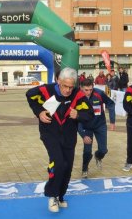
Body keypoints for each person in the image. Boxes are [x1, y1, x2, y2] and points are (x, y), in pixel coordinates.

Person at [26, 67, 94, 213]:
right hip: (49, 133)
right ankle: (52, 195)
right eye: (65, 86)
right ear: (58, 81)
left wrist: (79, 115)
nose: (68, 90)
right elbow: (29, 95)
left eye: (71, 87)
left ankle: (60, 196)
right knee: (58, 163)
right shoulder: (45, 90)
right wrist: (39, 112)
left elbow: (90, 115)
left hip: (69, 136)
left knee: (68, 167)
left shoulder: (78, 95)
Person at [78, 79, 115, 178]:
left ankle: (98, 156)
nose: (89, 92)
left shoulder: (99, 93)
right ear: (81, 88)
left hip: (100, 125)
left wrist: (112, 121)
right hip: (86, 127)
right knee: (87, 151)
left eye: (91, 89)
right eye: (86, 90)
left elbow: (111, 104)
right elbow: (75, 119)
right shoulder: (76, 97)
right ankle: (85, 168)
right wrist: (83, 134)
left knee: (103, 150)